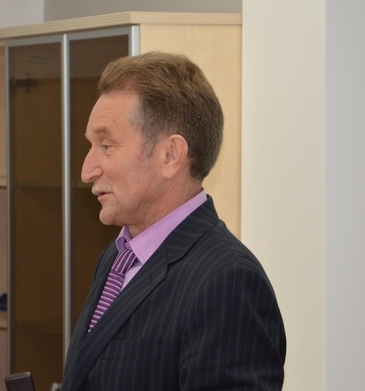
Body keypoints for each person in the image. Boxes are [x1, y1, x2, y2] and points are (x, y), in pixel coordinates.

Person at [61, 51, 286, 391]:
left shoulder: (227, 281)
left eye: (106, 146)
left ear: (170, 155)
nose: (87, 170)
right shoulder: (117, 256)